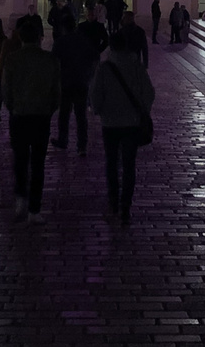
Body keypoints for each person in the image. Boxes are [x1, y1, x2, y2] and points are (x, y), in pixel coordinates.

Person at [89, 29, 155, 226]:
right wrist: (142, 110)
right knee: (129, 165)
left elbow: (95, 95)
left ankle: (113, 203)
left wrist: (98, 111)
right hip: (132, 123)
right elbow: (149, 92)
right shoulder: (136, 66)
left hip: (110, 124)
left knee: (111, 163)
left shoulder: (104, 67)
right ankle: (126, 206)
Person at [1, 15, 60, 223]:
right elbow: (56, 92)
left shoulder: (12, 59)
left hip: (19, 116)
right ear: (39, 38)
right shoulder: (49, 60)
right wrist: (49, 109)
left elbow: (5, 90)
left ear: (21, 38)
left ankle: (20, 199)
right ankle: (35, 209)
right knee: (38, 163)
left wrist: (13, 107)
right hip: (41, 117)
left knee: (19, 160)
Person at [52, 18, 98, 155]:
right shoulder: (83, 40)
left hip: (66, 81)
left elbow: (54, 61)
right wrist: (89, 74)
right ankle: (82, 145)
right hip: (81, 81)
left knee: (64, 113)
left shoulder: (60, 42)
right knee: (81, 115)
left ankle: (63, 140)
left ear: (64, 28)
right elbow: (95, 56)